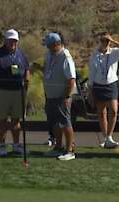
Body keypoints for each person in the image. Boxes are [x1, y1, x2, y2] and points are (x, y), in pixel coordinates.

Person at [0, 29, 29, 157]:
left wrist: (26, 85)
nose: (13, 43)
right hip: (2, 91)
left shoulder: (21, 54)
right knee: (2, 121)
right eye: (10, 40)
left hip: (18, 91)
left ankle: (16, 145)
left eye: (15, 41)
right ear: (5, 40)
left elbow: (26, 69)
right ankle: (2, 145)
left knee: (16, 120)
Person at [88, 32, 119, 149]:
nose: (105, 43)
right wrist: (90, 90)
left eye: (107, 41)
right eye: (103, 41)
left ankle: (110, 136)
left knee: (114, 110)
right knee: (101, 113)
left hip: (111, 84)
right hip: (98, 85)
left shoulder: (114, 52)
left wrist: (113, 41)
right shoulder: (94, 55)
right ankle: (105, 137)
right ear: (99, 42)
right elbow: (91, 73)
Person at [42, 32, 77, 161]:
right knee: (55, 123)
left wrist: (66, 96)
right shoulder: (49, 55)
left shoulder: (65, 57)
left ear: (57, 44)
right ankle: (58, 147)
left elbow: (71, 79)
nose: (48, 48)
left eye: (50, 46)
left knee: (65, 123)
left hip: (62, 96)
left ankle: (69, 150)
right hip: (50, 95)